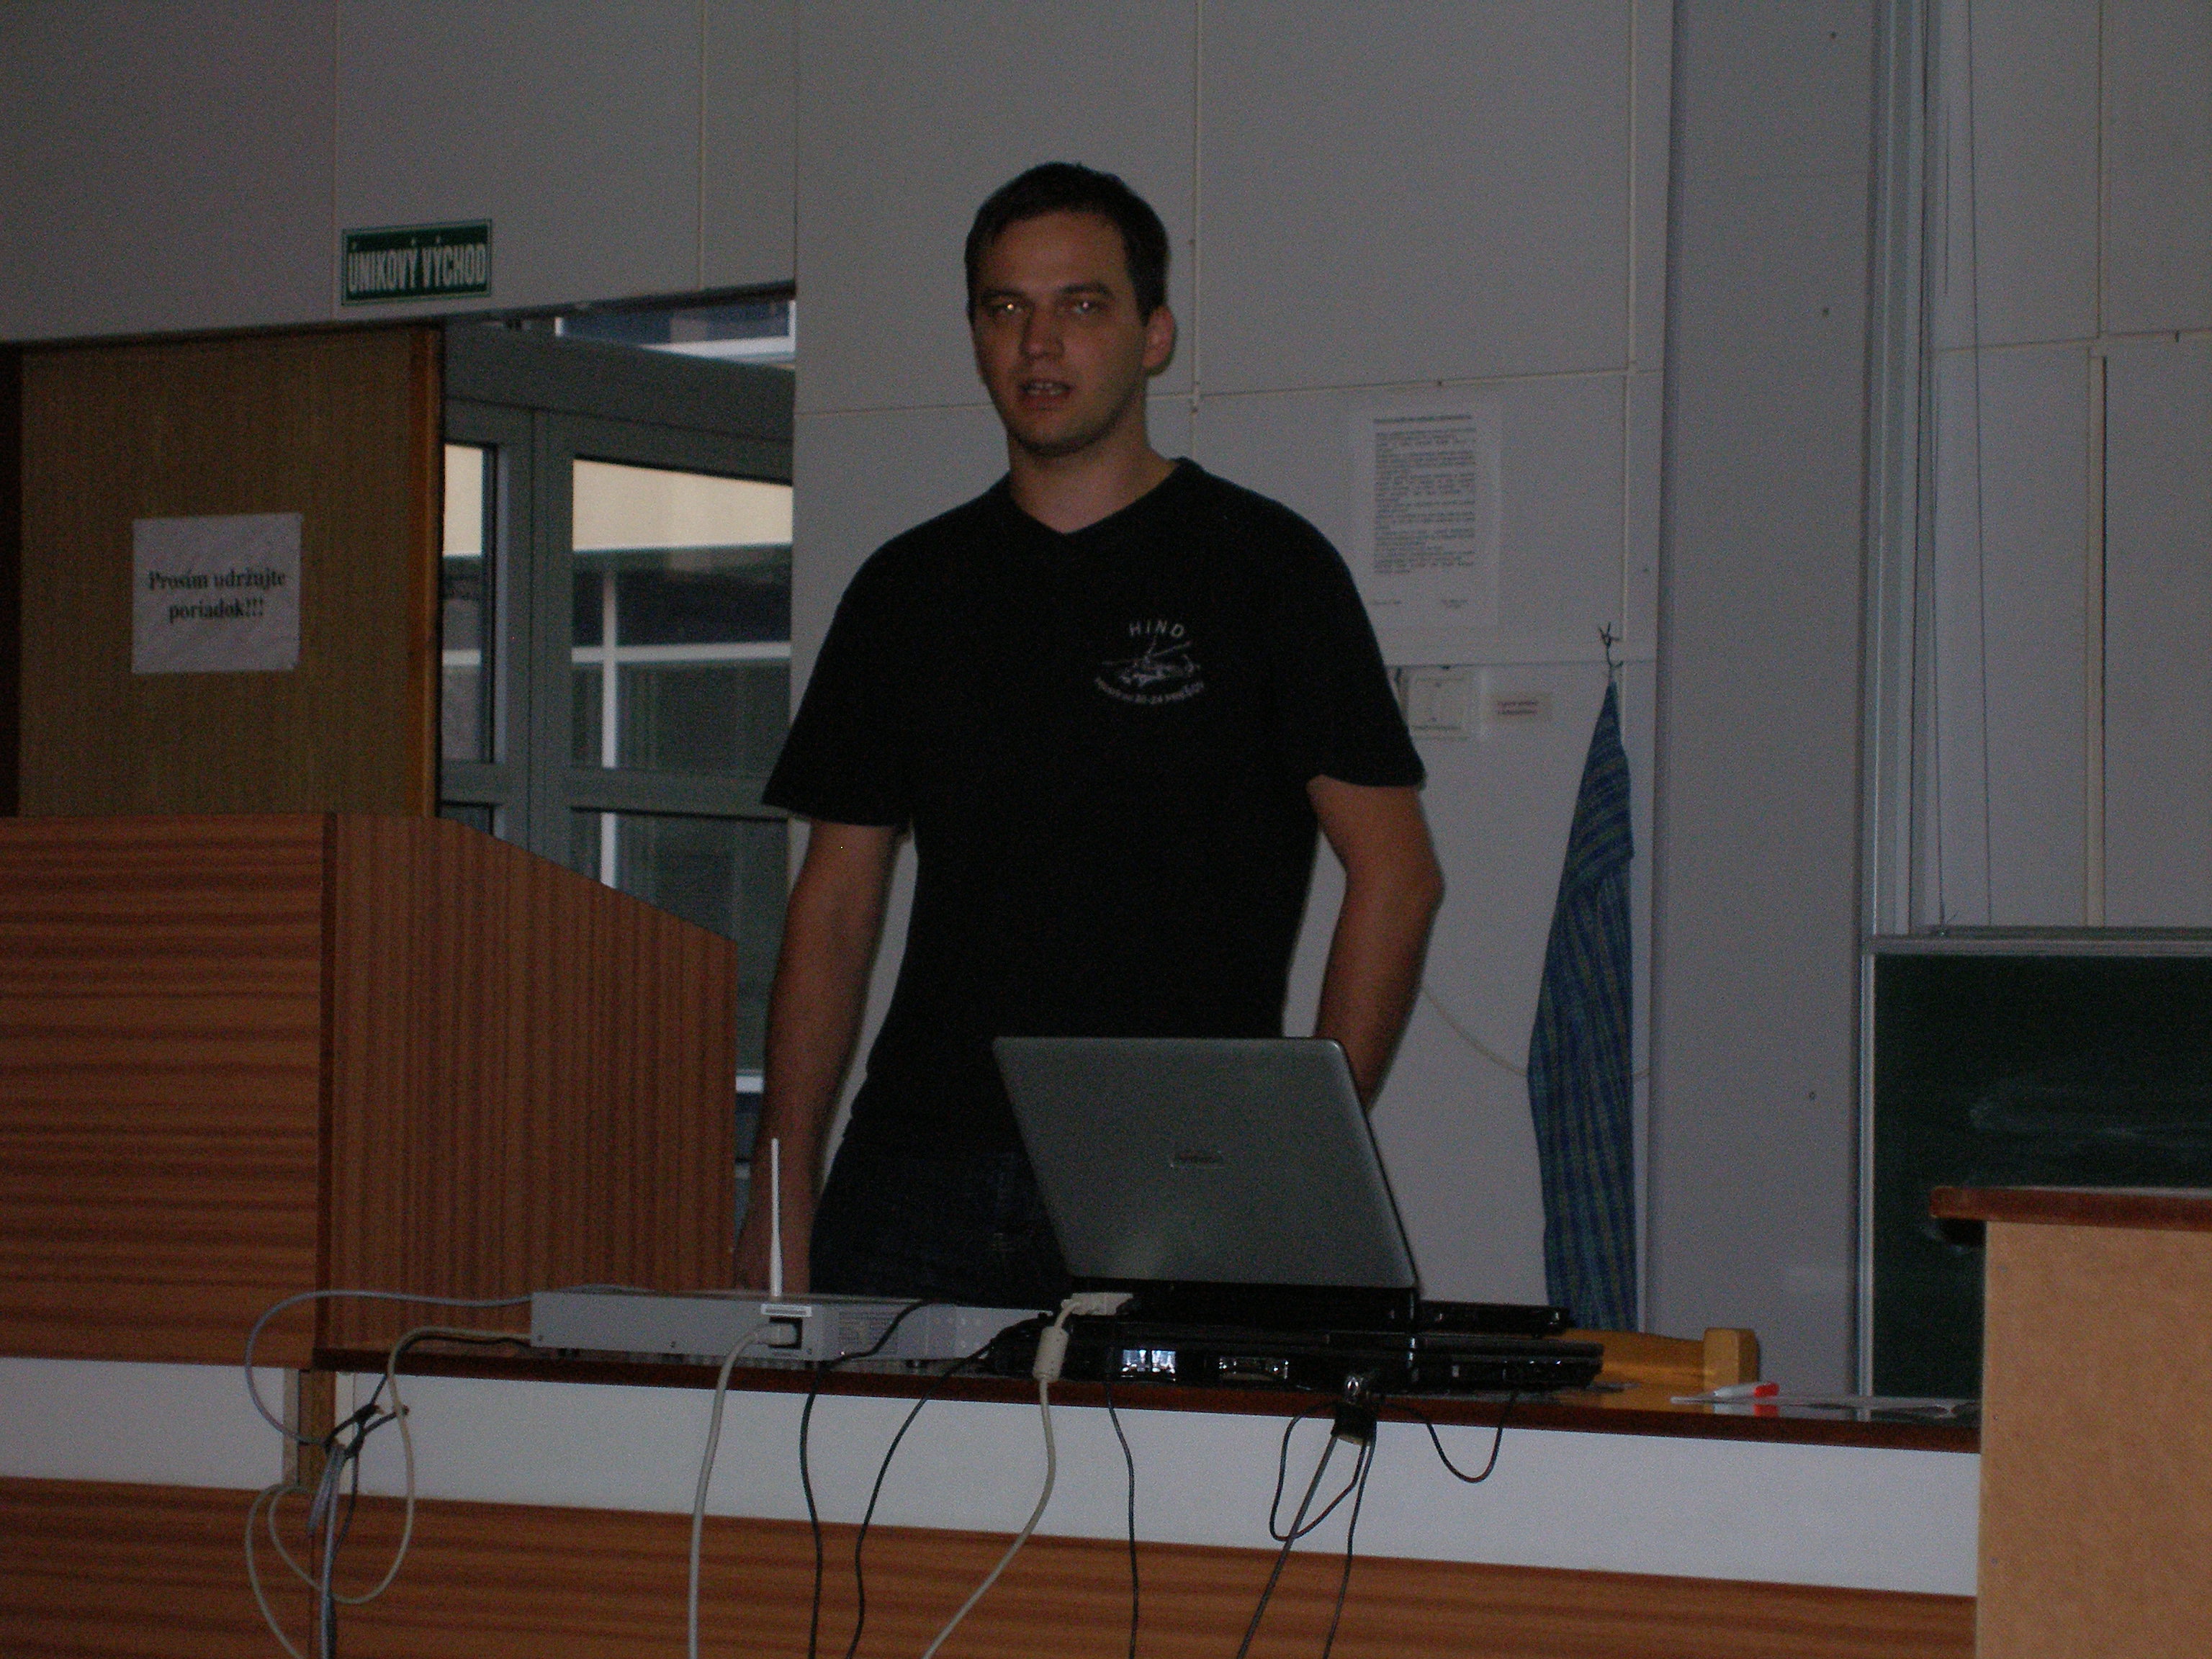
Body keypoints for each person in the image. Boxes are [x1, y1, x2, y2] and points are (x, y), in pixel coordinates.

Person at [733, 162, 1443, 1307]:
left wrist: (1299, 1157)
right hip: (919, 1169)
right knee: (852, 1435)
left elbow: (1398, 876)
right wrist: (779, 1189)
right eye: (1005, 307)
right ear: (976, 338)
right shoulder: (909, 589)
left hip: (1178, 1172)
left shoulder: (1267, 570)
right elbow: (835, 906)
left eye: (1082, 304)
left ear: (1154, 335)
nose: (1039, 342)